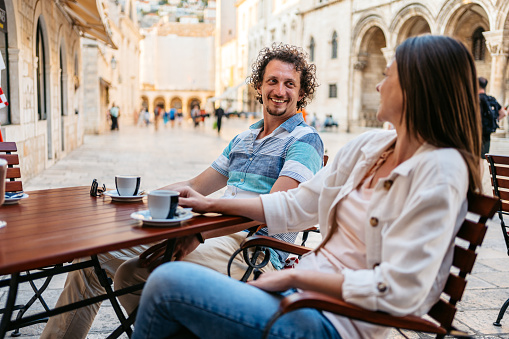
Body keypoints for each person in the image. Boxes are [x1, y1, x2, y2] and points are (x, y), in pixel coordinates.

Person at [132, 35, 482, 339]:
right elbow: (295, 205)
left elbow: (401, 289)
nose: (378, 86)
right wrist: (210, 205)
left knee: (166, 282)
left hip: (332, 321)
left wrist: (288, 280)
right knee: (162, 292)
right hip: (302, 291)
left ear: (417, 88)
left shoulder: (442, 170)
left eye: (388, 76)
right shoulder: (371, 147)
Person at [40, 43, 323, 339]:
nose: (280, 90)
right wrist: (136, 197)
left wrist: (199, 234)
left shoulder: (305, 140)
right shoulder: (245, 137)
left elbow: (273, 208)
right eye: (273, 81)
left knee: (131, 273)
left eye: (290, 84)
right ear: (259, 86)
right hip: (211, 232)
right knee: (93, 258)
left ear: (301, 93)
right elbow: (194, 186)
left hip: (253, 252)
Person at [478, 76, 507, 158]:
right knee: (483, 156)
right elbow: (503, 113)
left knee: (475, 156)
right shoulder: (491, 99)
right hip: (487, 131)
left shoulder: (475, 99)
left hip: (476, 131)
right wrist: (495, 119)